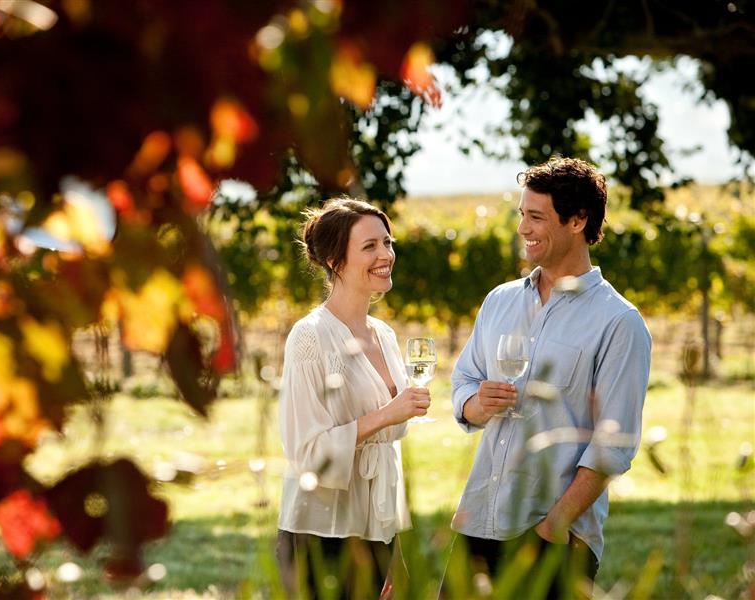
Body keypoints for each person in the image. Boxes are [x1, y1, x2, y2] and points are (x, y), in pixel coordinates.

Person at [447, 157, 651, 598]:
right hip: (479, 521)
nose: (523, 228)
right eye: (522, 214)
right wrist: (477, 403)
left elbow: (613, 445)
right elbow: (463, 381)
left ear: (577, 221)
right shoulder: (499, 302)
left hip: (556, 539)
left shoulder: (619, 322)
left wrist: (552, 527)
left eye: (536, 217)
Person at [276, 197, 431, 599]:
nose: (386, 255)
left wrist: (396, 544)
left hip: (377, 530)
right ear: (334, 261)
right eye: (369, 246)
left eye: (388, 242)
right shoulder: (309, 336)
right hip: (322, 532)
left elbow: (388, 454)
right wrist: (387, 415)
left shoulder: (386, 336)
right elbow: (306, 451)